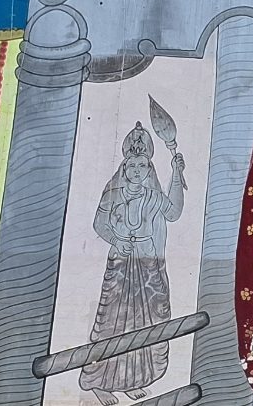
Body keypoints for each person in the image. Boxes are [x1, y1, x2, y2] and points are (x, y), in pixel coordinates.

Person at [79, 122, 185, 405]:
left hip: (149, 266)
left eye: (142, 166)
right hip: (121, 265)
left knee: (146, 321)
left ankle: (133, 380)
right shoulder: (113, 193)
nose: (137, 170)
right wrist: (116, 239)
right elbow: (99, 223)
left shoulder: (153, 196)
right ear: (124, 168)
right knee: (113, 322)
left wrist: (177, 173)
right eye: (132, 166)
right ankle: (100, 383)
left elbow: (173, 213)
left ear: (149, 169)